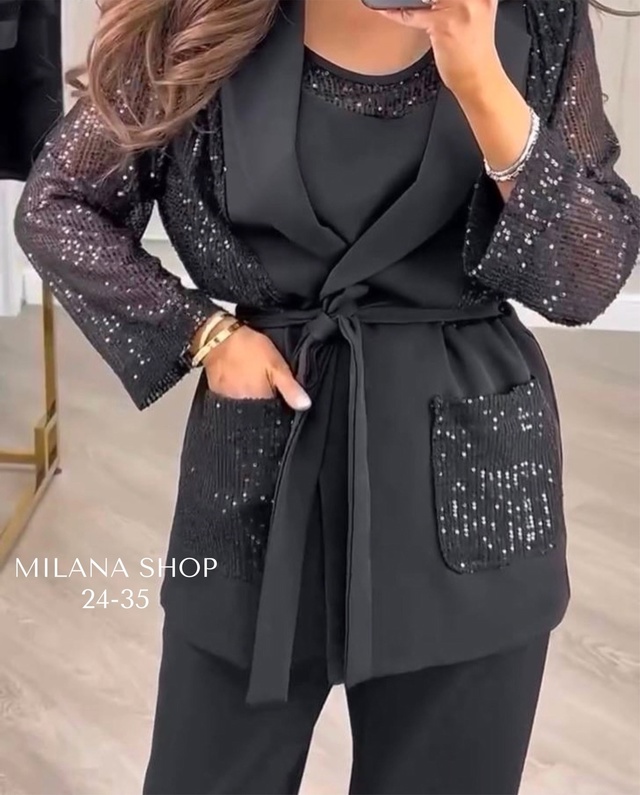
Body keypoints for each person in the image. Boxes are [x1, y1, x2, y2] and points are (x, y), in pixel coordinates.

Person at [13, 0, 640, 792]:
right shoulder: (198, 14)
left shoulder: (537, 18)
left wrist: (481, 79)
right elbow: (58, 205)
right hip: (256, 472)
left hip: (475, 488)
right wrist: (201, 333)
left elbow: (589, 277)